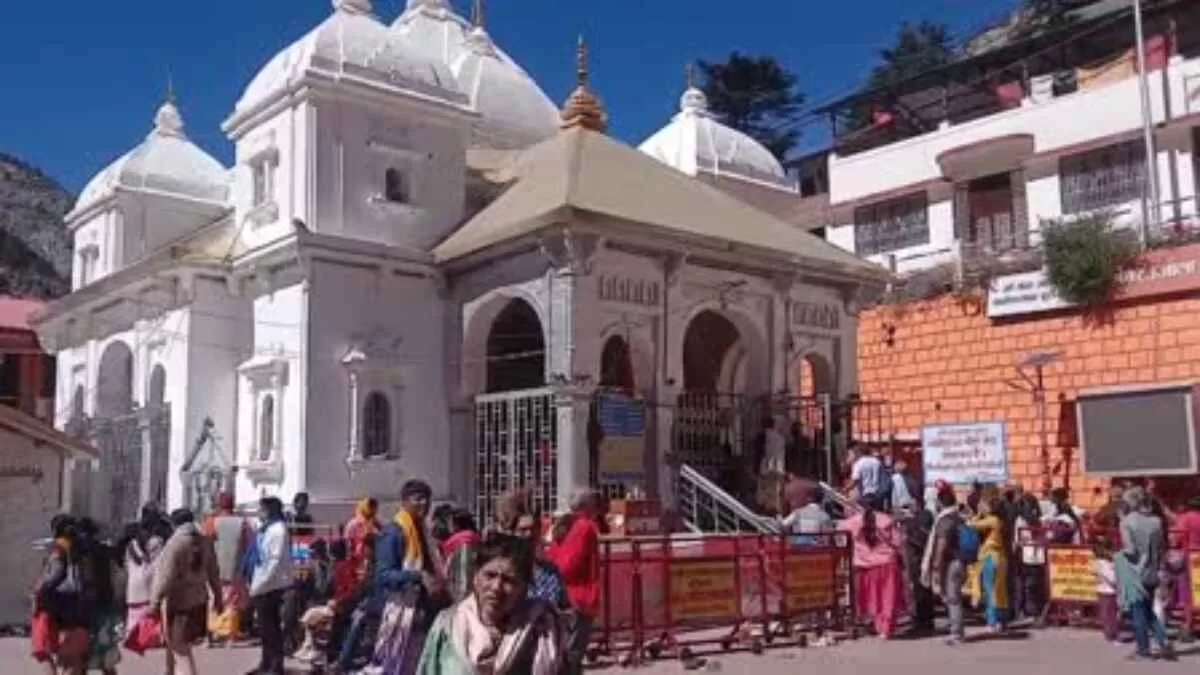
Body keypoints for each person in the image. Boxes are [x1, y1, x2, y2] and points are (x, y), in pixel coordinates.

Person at [416, 534, 564, 674]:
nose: (496, 587)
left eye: (508, 580)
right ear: (475, 577)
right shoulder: (448, 626)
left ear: (524, 588)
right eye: (490, 575)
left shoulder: (540, 630)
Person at [366, 479, 449, 674]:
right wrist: (418, 576)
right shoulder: (393, 533)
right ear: (403, 502)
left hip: (422, 611)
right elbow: (383, 575)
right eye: (418, 499)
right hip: (400, 611)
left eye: (427, 499)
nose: (424, 504)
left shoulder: (423, 532)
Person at [150, 509, 223, 675]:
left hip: (179, 603)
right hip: (199, 600)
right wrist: (218, 598)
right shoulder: (205, 541)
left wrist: (154, 603)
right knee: (176, 644)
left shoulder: (175, 543)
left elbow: (165, 577)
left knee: (181, 651)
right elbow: (214, 573)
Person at [548, 488, 602, 675]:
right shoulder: (585, 527)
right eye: (594, 503)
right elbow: (571, 563)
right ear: (587, 506)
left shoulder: (563, 523)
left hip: (562, 595)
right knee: (573, 654)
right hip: (579, 596)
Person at [1119, 486, 1175, 660]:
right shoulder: (1156, 521)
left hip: (1135, 570)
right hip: (1154, 569)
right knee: (1149, 610)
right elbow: (1161, 548)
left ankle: (1144, 650)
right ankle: (1163, 642)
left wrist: (1118, 555)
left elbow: (1130, 550)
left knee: (1138, 612)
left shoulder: (1127, 522)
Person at [838, 502, 904, 639]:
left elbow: (839, 530)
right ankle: (886, 629)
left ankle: (877, 625)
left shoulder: (853, 522)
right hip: (887, 563)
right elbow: (898, 542)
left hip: (865, 566)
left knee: (873, 598)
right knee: (888, 598)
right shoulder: (886, 519)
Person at [32, 515, 88, 675]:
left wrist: (41, 590)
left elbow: (57, 573)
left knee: (53, 653)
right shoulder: (81, 547)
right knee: (73, 655)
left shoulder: (59, 548)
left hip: (60, 606)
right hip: (80, 605)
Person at [246, 496, 294, 675]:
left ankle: (275, 665)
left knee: (271, 628)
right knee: (264, 628)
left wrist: (260, 584)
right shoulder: (264, 529)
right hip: (261, 582)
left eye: (262, 509)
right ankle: (266, 662)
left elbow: (274, 561)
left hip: (271, 584)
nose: (259, 512)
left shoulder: (278, 530)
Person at [204, 491, 252, 644]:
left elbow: (206, 543)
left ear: (219, 504)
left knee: (213, 601)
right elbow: (248, 545)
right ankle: (231, 637)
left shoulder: (212, 522)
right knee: (232, 603)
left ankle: (210, 638)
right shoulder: (243, 523)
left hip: (215, 569)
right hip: (236, 569)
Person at [922, 488, 966, 645]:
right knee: (953, 597)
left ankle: (956, 633)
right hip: (960, 561)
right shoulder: (959, 517)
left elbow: (942, 543)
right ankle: (955, 626)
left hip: (950, 562)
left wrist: (935, 564)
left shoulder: (944, 519)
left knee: (952, 598)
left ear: (940, 502)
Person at [969, 493, 1010, 633]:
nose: (980, 506)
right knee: (1000, 591)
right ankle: (1002, 621)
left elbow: (972, 525)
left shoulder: (992, 520)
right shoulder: (999, 519)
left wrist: (977, 514)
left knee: (991, 591)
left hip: (990, 558)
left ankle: (992, 622)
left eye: (983, 504)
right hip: (1000, 557)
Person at [441, 509, 482, 604]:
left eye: (450, 522)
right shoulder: (471, 539)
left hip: (461, 594)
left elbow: (464, 572)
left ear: (457, 524)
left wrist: (462, 598)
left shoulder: (464, 542)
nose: (448, 525)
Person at [1091, 536, 1120, 645]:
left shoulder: (1098, 562)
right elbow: (1112, 578)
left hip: (1104, 590)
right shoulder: (1103, 564)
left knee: (1109, 613)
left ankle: (1111, 633)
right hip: (1108, 590)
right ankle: (1111, 635)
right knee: (1109, 614)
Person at [756, 417, 787, 514]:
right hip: (777, 468)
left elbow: (759, 453)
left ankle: (765, 509)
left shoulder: (761, 436)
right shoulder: (780, 438)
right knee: (775, 492)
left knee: (764, 491)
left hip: (765, 468)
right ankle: (775, 510)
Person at [849, 446, 885, 511]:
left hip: (865, 494)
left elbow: (855, 480)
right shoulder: (877, 462)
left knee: (865, 515)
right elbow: (883, 479)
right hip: (877, 494)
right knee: (877, 515)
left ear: (859, 453)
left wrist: (845, 489)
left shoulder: (858, 463)